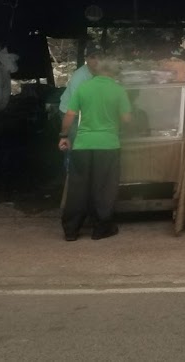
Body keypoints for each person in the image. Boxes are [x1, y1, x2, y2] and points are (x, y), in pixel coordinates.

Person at [58, 56, 131, 241]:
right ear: (113, 73)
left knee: (78, 188)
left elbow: (69, 115)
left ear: (97, 71)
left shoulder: (84, 88)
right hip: (108, 145)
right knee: (104, 189)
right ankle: (101, 229)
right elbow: (126, 120)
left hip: (82, 145)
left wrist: (64, 136)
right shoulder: (118, 90)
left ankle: (71, 230)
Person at [58, 45, 103, 160]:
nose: (97, 60)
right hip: (70, 112)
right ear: (86, 59)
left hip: (86, 111)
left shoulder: (101, 73)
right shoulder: (79, 76)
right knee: (74, 144)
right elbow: (75, 106)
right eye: (93, 57)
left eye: (100, 57)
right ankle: (70, 170)